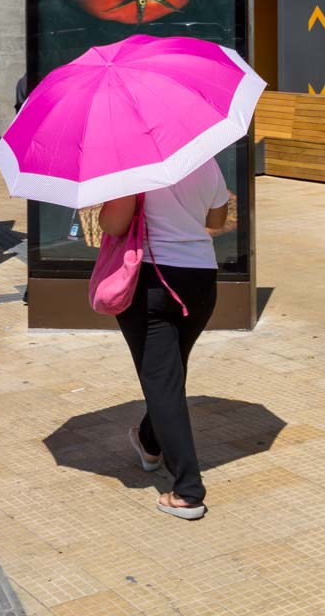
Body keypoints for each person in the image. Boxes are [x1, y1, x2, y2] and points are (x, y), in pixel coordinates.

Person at [96, 159, 233, 521]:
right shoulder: (206, 162)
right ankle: (149, 441)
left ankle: (188, 490)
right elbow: (216, 220)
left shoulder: (132, 166)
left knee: (161, 382)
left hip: (153, 282)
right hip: (200, 280)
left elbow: (113, 224)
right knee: (170, 374)